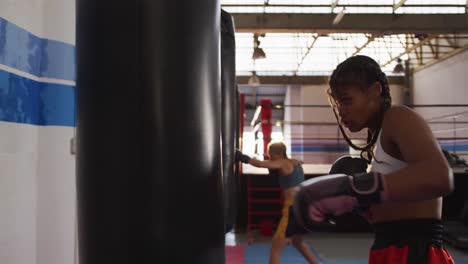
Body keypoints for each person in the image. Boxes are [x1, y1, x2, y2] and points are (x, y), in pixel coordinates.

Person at [293, 55, 455, 263]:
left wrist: (356, 187)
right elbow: (397, 209)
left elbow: (440, 177)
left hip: (415, 251)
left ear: (375, 91)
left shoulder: (398, 117)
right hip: (389, 248)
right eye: (337, 103)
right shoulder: (378, 143)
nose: (341, 110)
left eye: (347, 100)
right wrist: (359, 204)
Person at [236, 142, 318, 264]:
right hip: (302, 205)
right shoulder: (294, 162)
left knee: (276, 247)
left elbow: (259, 164)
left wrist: (240, 156)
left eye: (272, 156)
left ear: (279, 154)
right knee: (297, 242)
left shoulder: (283, 162)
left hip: (292, 207)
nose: (271, 158)